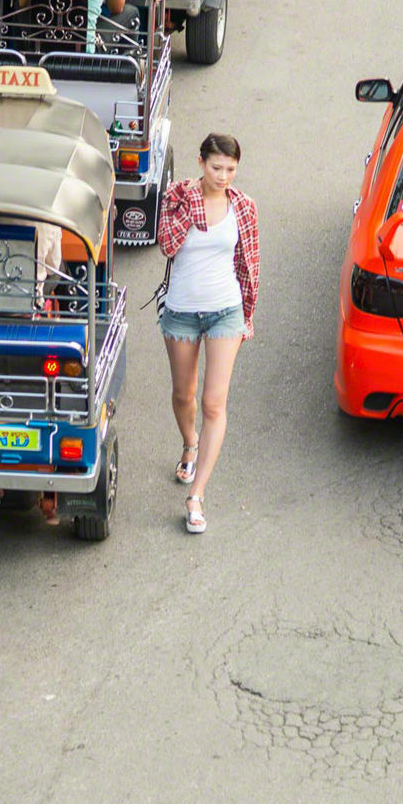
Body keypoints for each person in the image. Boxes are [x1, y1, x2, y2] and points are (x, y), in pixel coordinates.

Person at [155, 133, 259, 535]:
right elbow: (167, 244)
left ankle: (196, 495)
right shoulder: (179, 198)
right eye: (217, 168)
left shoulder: (244, 208)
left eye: (231, 169)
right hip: (181, 312)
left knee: (214, 402)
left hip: (225, 312)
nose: (224, 176)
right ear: (201, 163)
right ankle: (189, 443)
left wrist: (247, 314)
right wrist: (194, 204)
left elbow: (250, 264)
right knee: (185, 395)